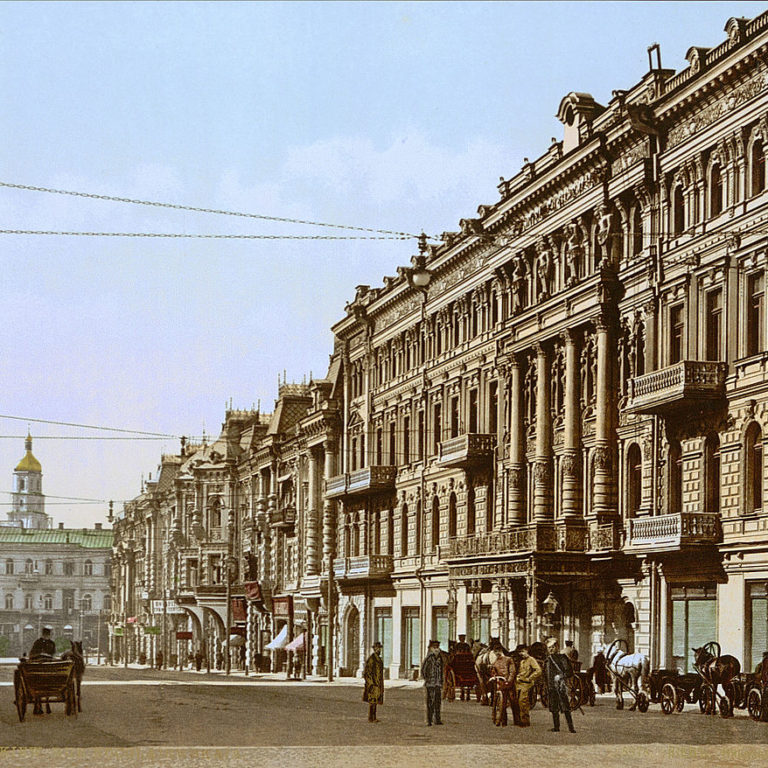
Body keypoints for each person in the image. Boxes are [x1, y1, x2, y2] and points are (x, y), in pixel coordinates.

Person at [544, 637, 576, 733]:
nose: (551, 649)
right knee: (554, 708)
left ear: (557, 647)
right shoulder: (547, 660)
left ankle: (571, 728)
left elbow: (569, 672)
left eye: (553, 647)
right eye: (549, 647)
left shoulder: (562, 658)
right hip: (551, 687)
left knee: (565, 707)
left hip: (560, 686)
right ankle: (556, 727)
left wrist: (561, 676)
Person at [514, 644, 542, 728]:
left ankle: (525, 721)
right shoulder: (522, 661)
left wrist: (530, 678)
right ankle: (519, 720)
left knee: (523, 701)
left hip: (526, 684)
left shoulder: (531, 660)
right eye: (520, 652)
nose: (521, 654)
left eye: (523, 651)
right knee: (517, 702)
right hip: (518, 683)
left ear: (527, 651)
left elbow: (538, 670)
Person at [490, 646, 517, 726]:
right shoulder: (495, 661)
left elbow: (512, 671)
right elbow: (494, 671)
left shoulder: (509, 659)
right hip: (501, 683)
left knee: (513, 701)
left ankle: (517, 720)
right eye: (495, 652)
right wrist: (494, 676)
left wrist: (509, 680)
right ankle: (503, 721)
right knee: (502, 703)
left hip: (509, 683)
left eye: (498, 651)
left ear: (501, 651)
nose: (497, 654)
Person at [421, 640, 445, 726]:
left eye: (437, 647)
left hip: (438, 683)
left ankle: (437, 719)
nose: (436, 649)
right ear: (431, 648)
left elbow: (442, 670)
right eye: (434, 647)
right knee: (430, 702)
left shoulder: (440, 658)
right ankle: (429, 720)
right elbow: (423, 670)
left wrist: (441, 681)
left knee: (438, 702)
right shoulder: (429, 658)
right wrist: (427, 679)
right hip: (430, 684)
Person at [363, 641, 384, 723]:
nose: (379, 650)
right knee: (372, 701)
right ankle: (371, 717)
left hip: (378, 683)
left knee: (375, 701)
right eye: (378, 648)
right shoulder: (372, 659)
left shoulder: (378, 659)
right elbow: (367, 672)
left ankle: (373, 717)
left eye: (380, 648)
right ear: (374, 649)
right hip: (373, 684)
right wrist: (371, 683)